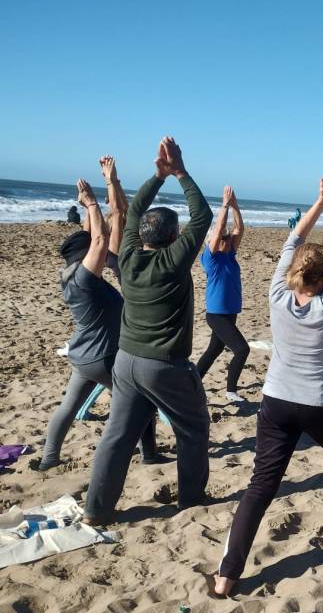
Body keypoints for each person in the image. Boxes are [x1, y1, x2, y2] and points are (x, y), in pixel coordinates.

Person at [213, 163, 323, 596]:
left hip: (277, 400)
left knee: (261, 485)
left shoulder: (278, 291)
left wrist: (319, 200)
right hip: (321, 404)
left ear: (297, 269)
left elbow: (295, 239)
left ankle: (226, 577)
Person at [83, 137, 213, 525]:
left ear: (141, 236)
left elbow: (134, 210)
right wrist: (180, 172)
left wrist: (157, 177)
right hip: (164, 366)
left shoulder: (127, 254)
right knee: (193, 429)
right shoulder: (173, 261)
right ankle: (191, 499)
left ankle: (96, 510)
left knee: (117, 436)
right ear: (173, 238)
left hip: (125, 361)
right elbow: (202, 216)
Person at [40, 158, 157, 470]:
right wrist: (92, 202)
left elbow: (96, 235)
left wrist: (97, 198)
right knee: (141, 402)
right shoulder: (85, 280)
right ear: (85, 257)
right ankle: (149, 454)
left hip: (82, 355)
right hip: (103, 357)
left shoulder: (72, 276)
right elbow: (101, 239)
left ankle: (49, 458)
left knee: (68, 406)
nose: (100, 254)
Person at [196, 186, 249, 403]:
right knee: (242, 349)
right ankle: (231, 391)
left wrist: (235, 205)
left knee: (214, 349)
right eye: (224, 238)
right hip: (216, 315)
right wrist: (224, 206)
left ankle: (193, 382)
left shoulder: (230, 255)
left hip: (229, 313)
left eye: (228, 237)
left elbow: (239, 228)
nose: (227, 239)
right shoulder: (211, 259)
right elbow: (218, 230)